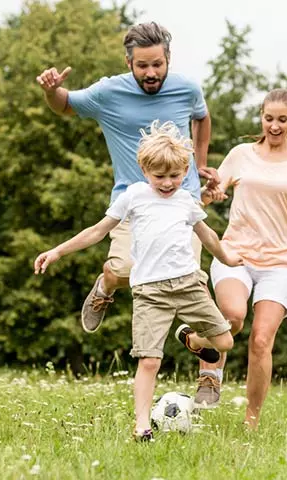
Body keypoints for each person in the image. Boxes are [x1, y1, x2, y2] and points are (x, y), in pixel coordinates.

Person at [33, 121, 242, 441]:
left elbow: (208, 236)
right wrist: (58, 251)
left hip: (187, 285)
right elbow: (97, 231)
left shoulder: (187, 201)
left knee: (225, 341)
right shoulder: (134, 197)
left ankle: (192, 339)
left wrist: (228, 258)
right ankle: (142, 425)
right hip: (150, 292)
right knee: (149, 360)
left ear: (184, 170)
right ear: (144, 170)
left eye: (175, 176)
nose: (168, 183)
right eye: (160, 176)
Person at [36, 22, 219, 334]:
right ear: (129, 62)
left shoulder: (187, 89)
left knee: (193, 282)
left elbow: (201, 116)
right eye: (142, 65)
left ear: (168, 59)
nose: (151, 73)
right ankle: (106, 283)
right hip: (132, 204)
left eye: (157, 64)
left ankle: (208, 374)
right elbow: (64, 105)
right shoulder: (109, 92)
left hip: (182, 200)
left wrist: (199, 163)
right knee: (125, 270)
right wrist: (52, 91)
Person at [191, 88, 287, 427]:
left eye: (282, 119)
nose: (274, 126)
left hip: (280, 263)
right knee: (233, 316)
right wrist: (209, 194)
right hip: (235, 252)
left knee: (261, 340)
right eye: (268, 118)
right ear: (262, 118)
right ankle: (209, 370)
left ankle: (251, 420)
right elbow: (208, 197)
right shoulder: (242, 154)